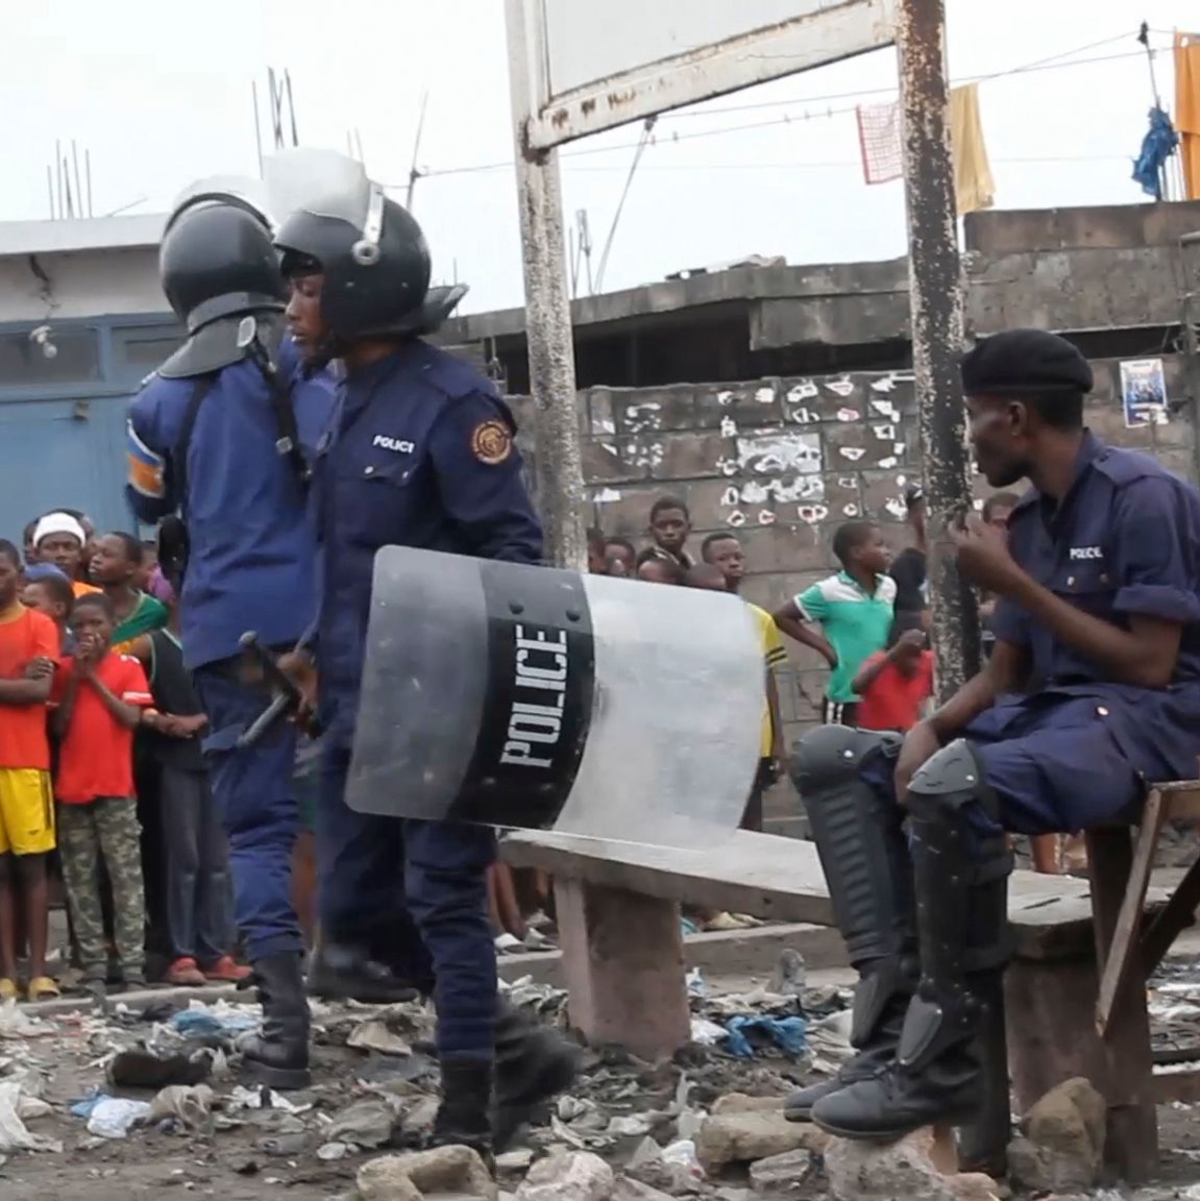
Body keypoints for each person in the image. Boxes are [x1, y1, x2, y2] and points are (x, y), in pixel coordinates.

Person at [784, 328, 1200, 1141]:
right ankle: (888, 1040)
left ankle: (943, 1066)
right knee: (839, 759)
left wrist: (1011, 582)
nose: (967, 441)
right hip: (1054, 715)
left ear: (1013, 417)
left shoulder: (1141, 497)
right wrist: (929, 725)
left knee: (955, 784)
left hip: (1152, 721)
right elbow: (1009, 671)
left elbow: (1150, 664)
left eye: (973, 420)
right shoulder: (1033, 518)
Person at [274, 174, 578, 1154]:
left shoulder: (453, 402)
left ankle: (468, 1110)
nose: (292, 307)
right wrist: (314, 659)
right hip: (360, 705)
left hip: (444, 701)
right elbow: (348, 557)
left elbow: (511, 552)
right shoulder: (339, 402)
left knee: (444, 895)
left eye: (307, 287)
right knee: (354, 925)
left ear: (361, 291)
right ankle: (516, 1046)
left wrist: (474, 685)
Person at [125, 182, 333, 1087]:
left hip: (224, 637)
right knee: (375, 811)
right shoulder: (312, 365)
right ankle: (449, 1011)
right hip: (332, 624)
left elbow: (142, 501)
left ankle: (285, 1037)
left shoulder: (154, 400)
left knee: (253, 832)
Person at [51, 593, 152, 998]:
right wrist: (76, 679)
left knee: (126, 880)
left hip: (115, 787)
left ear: (113, 626)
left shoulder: (127, 666)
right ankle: (93, 965)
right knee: (81, 882)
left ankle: (132, 966)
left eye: (97, 624)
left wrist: (93, 677)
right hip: (73, 790)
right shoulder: (62, 671)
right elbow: (57, 727)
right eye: (81, 626)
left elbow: (131, 718)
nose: (88, 632)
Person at [0, 539, 60, 1002]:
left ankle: (39, 971)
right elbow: (22, 686)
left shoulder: (39, 624)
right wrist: (16, 681)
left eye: (2, 571)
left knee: (32, 869)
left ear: (19, 575)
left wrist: (26, 684)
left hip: (24, 762)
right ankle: (7, 973)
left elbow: (38, 692)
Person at [698, 534, 788, 830]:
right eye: (723, 559)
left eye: (737, 556)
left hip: (753, 738)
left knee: (752, 820)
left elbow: (768, 680)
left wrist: (778, 741)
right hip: (712, 738)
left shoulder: (759, 619)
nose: (733, 563)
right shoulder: (693, 620)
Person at [773, 522, 895, 726]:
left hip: (883, 692)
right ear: (857, 553)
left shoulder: (889, 587)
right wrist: (825, 648)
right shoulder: (829, 591)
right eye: (879, 545)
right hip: (846, 697)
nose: (887, 552)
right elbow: (782, 616)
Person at [851, 616, 934, 733]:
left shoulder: (927, 661)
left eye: (917, 656)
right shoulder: (878, 664)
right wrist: (895, 652)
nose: (915, 664)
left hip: (908, 737)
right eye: (908, 656)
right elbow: (855, 687)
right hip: (876, 737)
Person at [90, 532, 169, 654]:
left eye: (106, 555)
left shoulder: (154, 612)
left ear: (130, 568)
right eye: (95, 553)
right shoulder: (85, 606)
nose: (96, 559)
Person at [30, 513, 100, 598]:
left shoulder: (94, 596)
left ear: (80, 554)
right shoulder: (25, 597)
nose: (61, 554)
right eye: (52, 547)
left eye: (69, 547)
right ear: (36, 553)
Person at [890, 484, 928, 622]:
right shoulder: (905, 567)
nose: (931, 516)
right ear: (912, 516)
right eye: (924, 510)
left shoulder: (966, 559)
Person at [645, 496, 694, 569]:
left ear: (688, 528)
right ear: (652, 531)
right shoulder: (647, 565)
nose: (669, 532)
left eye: (677, 525)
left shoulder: (689, 562)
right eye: (661, 526)